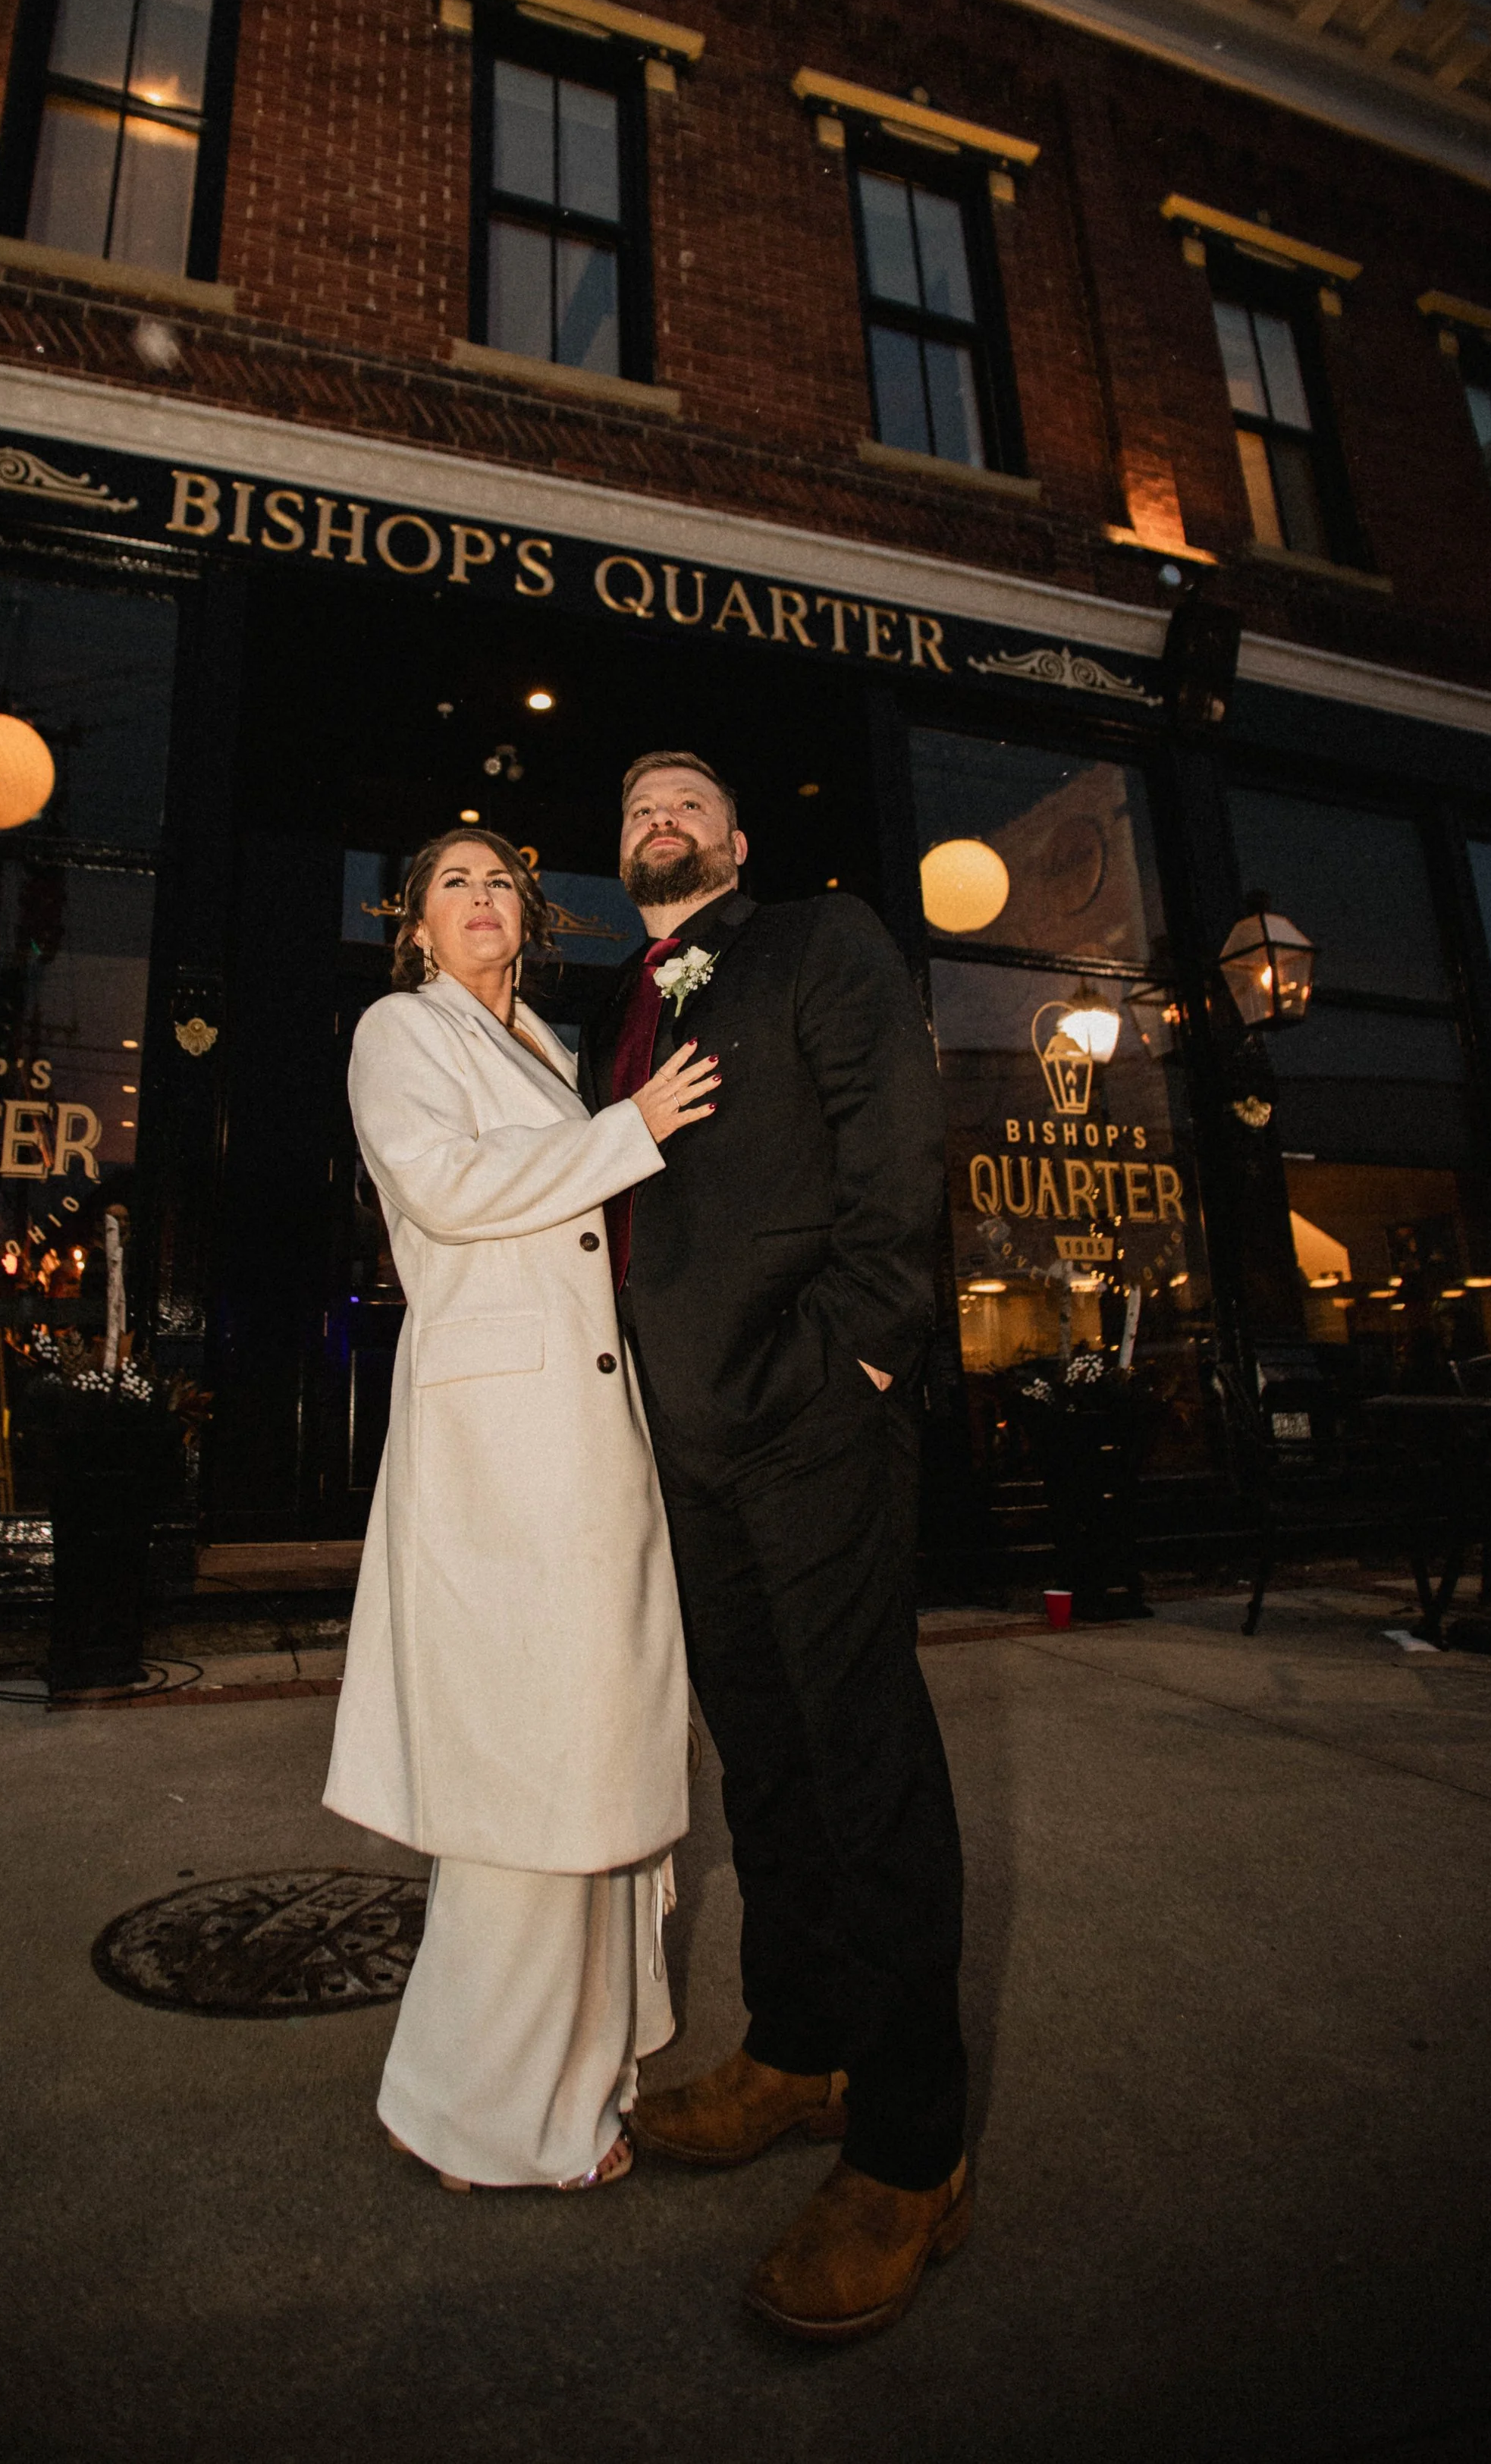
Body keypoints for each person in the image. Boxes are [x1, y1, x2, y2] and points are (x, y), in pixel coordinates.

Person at [577, 750, 969, 2342]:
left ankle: (907, 2149)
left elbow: (894, 1143)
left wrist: (859, 1356)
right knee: (763, 1757)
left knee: (860, 1760)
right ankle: (798, 2048)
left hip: (808, 1413)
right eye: (631, 810)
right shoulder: (627, 1003)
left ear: (735, 839)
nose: (655, 816)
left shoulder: (819, 940)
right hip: (682, 1442)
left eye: (683, 800)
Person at [323, 826, 717, 2192]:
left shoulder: (550, 1045)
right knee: (530, 1765)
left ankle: (574, 2070)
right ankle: (475, 2109)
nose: (483, 900)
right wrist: (634, 1130)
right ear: (413, 926)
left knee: (592, 1745)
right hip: (501, 1441)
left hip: (592, 1430)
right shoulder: (399, 1030)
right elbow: (442, 1183)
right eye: (454, 883)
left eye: (502, 883)